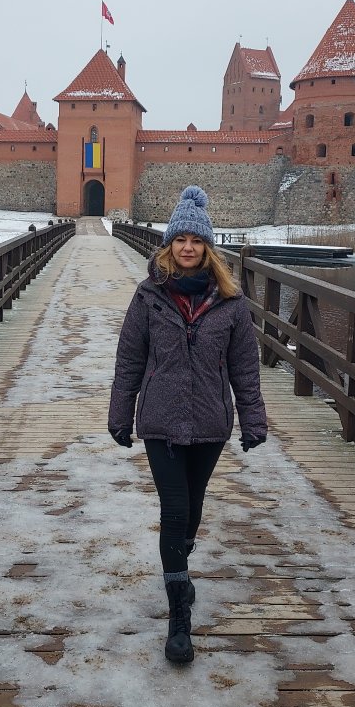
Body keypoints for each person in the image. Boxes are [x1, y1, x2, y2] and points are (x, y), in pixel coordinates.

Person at [108, 186, 268, 664]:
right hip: (160, 419)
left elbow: (245, 368)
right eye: (180, 240)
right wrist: (120, 414)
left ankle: (180, 564)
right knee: (175, 510)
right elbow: (129, 360)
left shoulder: (231, 303)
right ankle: (179, 616)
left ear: (208, 248)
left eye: (196, 241)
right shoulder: (148, 297)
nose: (188, 248)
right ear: (168, 245)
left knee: (193, 509)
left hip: (210, 422)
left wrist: (253, 419)